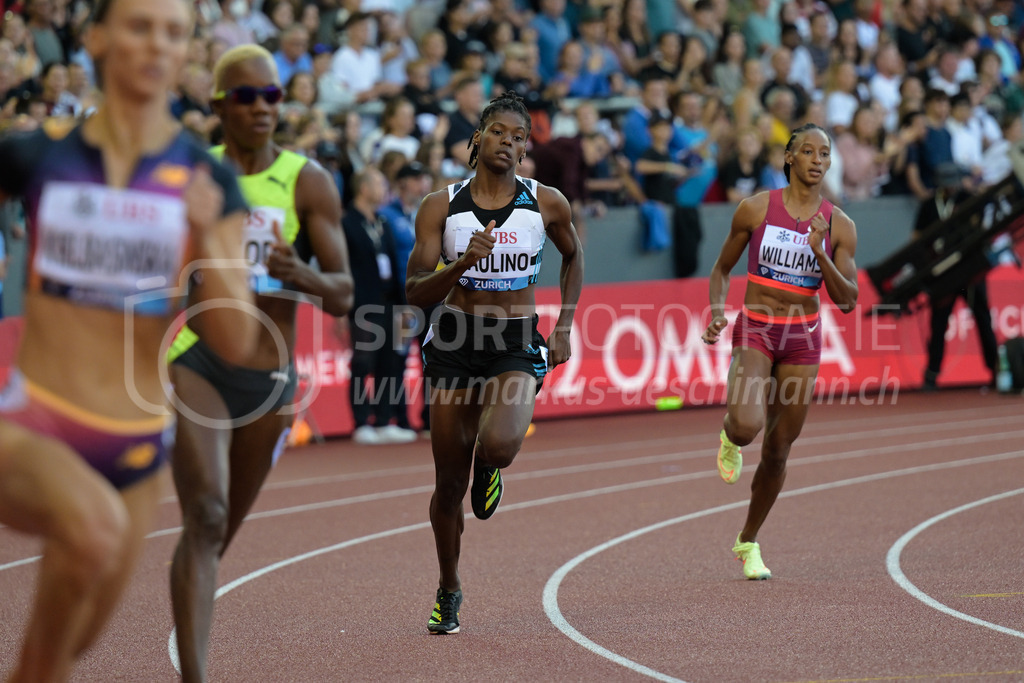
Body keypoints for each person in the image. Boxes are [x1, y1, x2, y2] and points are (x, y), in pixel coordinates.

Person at [0, 0, 257, 680]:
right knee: (92, 531)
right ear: (98, 38)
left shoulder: (209, 183)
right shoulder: (38, 155)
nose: (156, 44)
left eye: (173, 32)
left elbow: (235, 341)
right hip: (36, 422)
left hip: (136, 447)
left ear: (186, 52)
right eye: (139, 25)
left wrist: (212, 240)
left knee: (65, 648)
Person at [167, 43, 353, 682]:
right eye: (246, 96)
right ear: (219, 106)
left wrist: (298, 272)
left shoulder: (306, 181)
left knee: (216, 535)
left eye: (271, 95)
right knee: (206, 513)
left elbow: (346, 293)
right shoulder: (195, 174)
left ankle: (192, 603)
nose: (262, 107)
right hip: (200, 362)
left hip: (270, 378)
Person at [405, 91, 583, 633]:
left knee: (501, 443)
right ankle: (449, 587)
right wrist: (460, 265)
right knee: (447, 487)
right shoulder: (442, 204)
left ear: (526, 149)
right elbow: (415, 291)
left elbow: (573, 258)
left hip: (513, 340)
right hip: (455, 341)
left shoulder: (545, 202)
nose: (509, 142)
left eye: (519, 136)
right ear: (477, 138)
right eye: (500, 132)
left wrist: (565, 324)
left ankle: (490, 466)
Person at [702, 122, 859, 580]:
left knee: (778, 450)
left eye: (824, 153)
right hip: (757, 327)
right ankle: (730, 435)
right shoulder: (754, 210)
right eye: (807, 151)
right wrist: (716, 311)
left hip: (803, 336)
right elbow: (720, 270)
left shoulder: (840, 224)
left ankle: (748, 541)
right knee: (749, 426)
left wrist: (821, 252)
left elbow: (848, 300)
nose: (816, 159)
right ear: (788, 158)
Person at [342, 166, 416, 445]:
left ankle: (385, 420)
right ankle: (362, 421)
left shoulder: (382, 222)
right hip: (363, 304)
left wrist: (404, 303)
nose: (385, 190)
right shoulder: (347, 223)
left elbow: (395, 266)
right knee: (363, 362)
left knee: (391, 362)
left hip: (391, 301)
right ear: (364, 188)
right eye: (379, 184)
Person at [916, 163, 999, 391]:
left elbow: (981, 229)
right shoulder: (928, 205)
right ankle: (931, 375)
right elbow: (917, 236)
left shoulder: (969, 199)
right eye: (946, 184)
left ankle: (996, 372)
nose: (950, 188)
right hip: (943, 274)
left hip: (970, 271)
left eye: (953, 182)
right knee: (938, 323)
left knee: (983, 320)